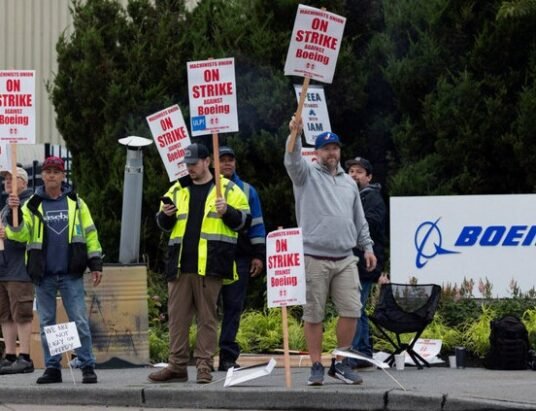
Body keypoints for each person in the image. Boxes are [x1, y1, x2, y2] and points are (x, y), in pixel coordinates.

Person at [284, 119, 377, 386]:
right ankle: (316, 365)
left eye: (335, 148)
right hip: (313, 256)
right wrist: (295, 135)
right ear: (316, 153)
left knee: (352, 311)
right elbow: (291, 159)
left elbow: (359, 219)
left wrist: (367, 247)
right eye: (325, 148)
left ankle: (340, 362)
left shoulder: (349, 183)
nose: (331, 153)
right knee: (314, 314)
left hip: (346, 257)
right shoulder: (305, 175)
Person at [148, 143, 250, 384]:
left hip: (211, 264)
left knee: (207, 318)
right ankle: (177, 366)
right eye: (187, 164)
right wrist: (166, 215)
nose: (190, 168)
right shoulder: (176, 189)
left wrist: (228, 212)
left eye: (194, 164)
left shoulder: (228, 189)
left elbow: (245, 222)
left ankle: (204, 365)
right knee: (177, 318)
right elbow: (162, 222)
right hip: (180, 265)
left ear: (207, 162)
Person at [5, 156, 103, 384]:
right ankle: (52, 368)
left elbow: (90, 233)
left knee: (79, 320)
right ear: (43, 176)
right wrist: (14, 215)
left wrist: (95, 263)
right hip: (44, 274)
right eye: (47, 171)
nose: (51, 175)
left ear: (62, 176)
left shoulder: (76, 203)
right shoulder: (32, 205)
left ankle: (87, 365)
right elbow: (19, 236)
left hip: (71, 273)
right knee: (48, 323)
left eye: (55, 172)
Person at [217, 146, 266, 371]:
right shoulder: (207, 187)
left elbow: (256, 224)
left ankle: (227, 357)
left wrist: (258, 255)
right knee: (206, 309)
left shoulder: (247, 190)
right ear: (212, 163)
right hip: (210, 257)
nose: (227, 164)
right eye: (222, 160)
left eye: (230, 160)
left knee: (233, 307)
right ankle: (203, 358)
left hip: (239, 257)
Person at [345, 157, 388, 370]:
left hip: (365, 263)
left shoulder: (372, 198)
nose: (354, 175)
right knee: (356, 308)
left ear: (369, 177)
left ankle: (359, 353)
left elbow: (369, 225)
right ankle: (362, 351)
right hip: (352, 262)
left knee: (356, 307)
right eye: (351, 171)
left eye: (359, 171)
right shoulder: (350, 197)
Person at [0, 167, 34, 375]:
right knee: (5, 315)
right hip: (3, 268)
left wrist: (11, 230)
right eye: (5, 179)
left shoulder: (28, 205)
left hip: (19, 269)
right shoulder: (5, 208)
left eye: (12, 179)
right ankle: (10, 355)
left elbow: (27, 234)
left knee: (22, 313)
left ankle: (26, 357)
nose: (7, 183)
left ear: (24, 183)